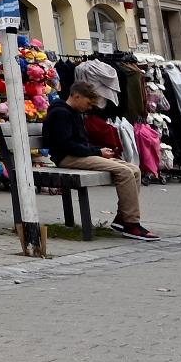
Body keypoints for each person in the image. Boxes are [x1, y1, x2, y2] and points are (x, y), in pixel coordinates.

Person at [42, 58, 157, 239]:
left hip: (77, 154)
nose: (90, 107)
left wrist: (98, 150)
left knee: (134, 169)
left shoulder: (74, 112)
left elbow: (79, 143)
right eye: (88, 103)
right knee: (124, 171)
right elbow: (66, 145)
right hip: (67, 157)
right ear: (76, 96)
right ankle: (131, 223)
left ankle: (122, 218)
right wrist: (97, 152)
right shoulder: (61, 113)